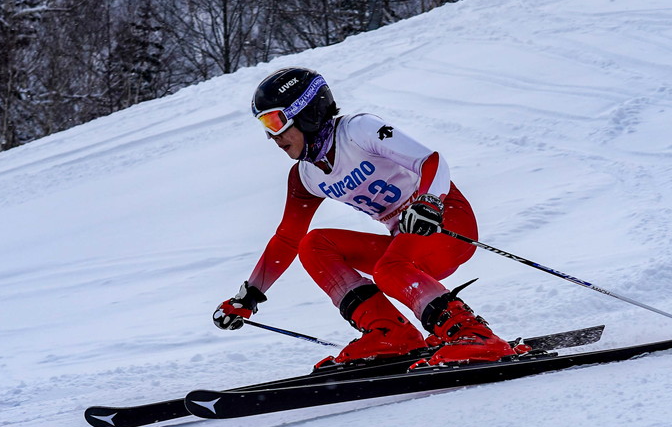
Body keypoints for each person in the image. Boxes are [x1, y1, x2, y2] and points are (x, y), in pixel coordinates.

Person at [212, 67, 521, 367]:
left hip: (445, 224)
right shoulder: (305, 177)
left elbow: (431, 161)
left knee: (389, 268)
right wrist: (250, 295)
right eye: (264, 126)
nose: (272, 136)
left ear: (306, 112)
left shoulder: (358, 131)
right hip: (405, 245)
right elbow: (287, 239)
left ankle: (473, 334)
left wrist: (429, 202)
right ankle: (390, 333)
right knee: (314, 244)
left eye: (275, 120)